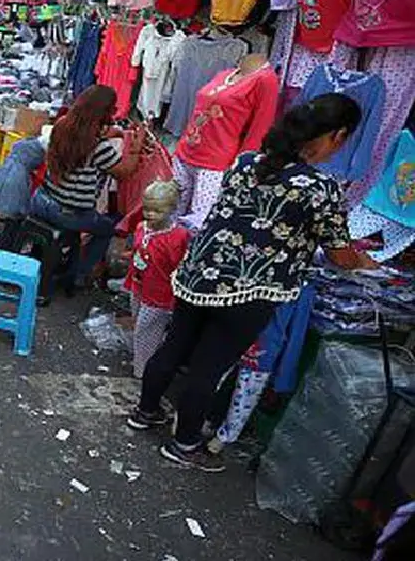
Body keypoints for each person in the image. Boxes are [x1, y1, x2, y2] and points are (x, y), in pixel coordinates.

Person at [128, 93, 378, 472]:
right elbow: (341, 256)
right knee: (208, 367)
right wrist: (365, 262)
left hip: (199, 273)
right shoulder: (320, 189)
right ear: (337, 136)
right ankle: (184, 445)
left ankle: (145, 413)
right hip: (249, 290)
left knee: (174, 346)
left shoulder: (247, 163)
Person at [30, 86, 143, 292]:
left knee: (88, 223)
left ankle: (57, 262)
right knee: (109, 227)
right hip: (68, 213)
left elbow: (86, 136)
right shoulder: (98, 147)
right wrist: (135, 148)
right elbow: (124, 172)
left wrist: (113, 133)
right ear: (104, 113)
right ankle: (79, 274)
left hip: (40, 200)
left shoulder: (62, 125)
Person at [122, 180, 190, 379]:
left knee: (147, 328)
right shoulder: (143, 227)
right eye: (147, 209)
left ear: (171, 209)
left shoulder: (178, 237)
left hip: (161, 293)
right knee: (140, 322)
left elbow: (180, 266)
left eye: (157, 211)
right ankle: (142, 357)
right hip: (139, 282)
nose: (150, 214)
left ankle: (142, 369)